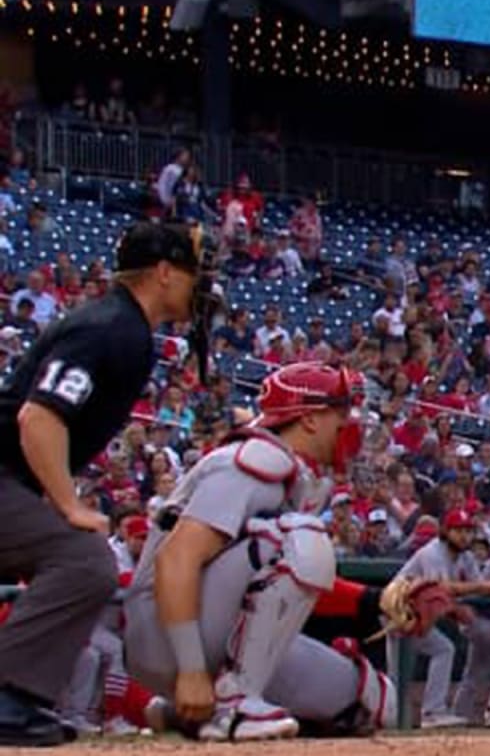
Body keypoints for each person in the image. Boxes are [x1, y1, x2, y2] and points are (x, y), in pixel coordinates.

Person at [0, 222, 216, 747]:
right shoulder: (112, 328)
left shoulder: (124, 326)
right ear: (164, 274)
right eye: (190, 274)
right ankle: (8, 697)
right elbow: (40, 418)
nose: (199, 287)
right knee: (84, 560)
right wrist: (68, 505)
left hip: (11, 479)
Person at [122, 362, 399, 741]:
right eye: (341, 411)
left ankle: (187, 714)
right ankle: (234, 702)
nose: (350, 424)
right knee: (302, 537)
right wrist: (189, 669)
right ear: (310, 419)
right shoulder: (254, 461)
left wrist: (376, 601)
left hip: (220, 630)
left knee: (374, 699)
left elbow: (277, 589)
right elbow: (177, 558)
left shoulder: (296, 472)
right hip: (163, 628)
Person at [385, 508, 490, 729]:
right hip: (399, 611)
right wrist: (480, 590)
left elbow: (475, 588)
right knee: (404, 672)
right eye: (458, 531)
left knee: (440, 651)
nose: (464, 536)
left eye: (468, 531)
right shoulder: (432, 552)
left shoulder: (465, 556)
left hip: (418, 615)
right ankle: (423, 713)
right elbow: (440, 587)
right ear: (446, 531)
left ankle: (429, 712)